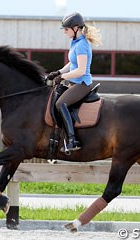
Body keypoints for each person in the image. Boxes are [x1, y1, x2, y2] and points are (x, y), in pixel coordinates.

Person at [47, 12, 102, 153]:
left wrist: (63, 77)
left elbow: (81, 70)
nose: (64, 32)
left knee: (60, 104)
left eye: (66, 29)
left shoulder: (82, 45)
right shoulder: (75, 42)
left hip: (82, 83)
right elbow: (72, 63)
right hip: (74, 82)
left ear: (76, 28)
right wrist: (58, 72)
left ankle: (72, 140)